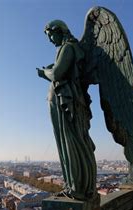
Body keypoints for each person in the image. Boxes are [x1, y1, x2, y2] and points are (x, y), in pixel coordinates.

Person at [37, 20, 96, 200]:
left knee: (71, 142)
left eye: (51, 35)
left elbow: (57, 74)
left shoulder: (68, 48)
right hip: (64, 101)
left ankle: (78, 188)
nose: (50, 40)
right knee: (68, 142)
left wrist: (44, 73)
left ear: (60, 31)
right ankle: (74, 185)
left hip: (67, 103)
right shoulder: (68, 49)